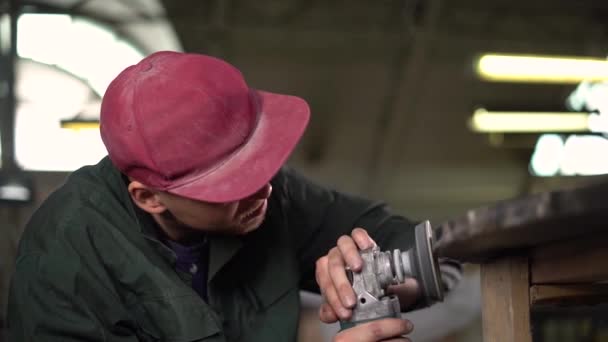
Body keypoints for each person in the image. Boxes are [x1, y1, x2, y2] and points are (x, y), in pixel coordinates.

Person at [7, 51, 460, 341]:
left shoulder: (271, 197)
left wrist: (380, 274)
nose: (262, 188)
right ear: (150, 199)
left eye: (259, 163)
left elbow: (423, 247)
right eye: (230, 183)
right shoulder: (66, 257)